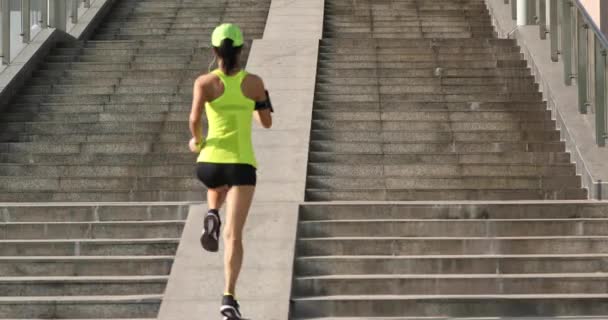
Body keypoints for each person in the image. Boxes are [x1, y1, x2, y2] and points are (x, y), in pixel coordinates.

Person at [188, 23, 273, 320]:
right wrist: (257, 100)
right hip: (242, 163)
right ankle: (228, 299)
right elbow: (266, 123)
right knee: (233, 236)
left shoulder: (204, 83)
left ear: (214, 51)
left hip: (209, 161)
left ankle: (212, 211)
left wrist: (197, 142)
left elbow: (194, 119)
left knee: (216, 181)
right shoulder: (254, 83)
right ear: (241, 50)